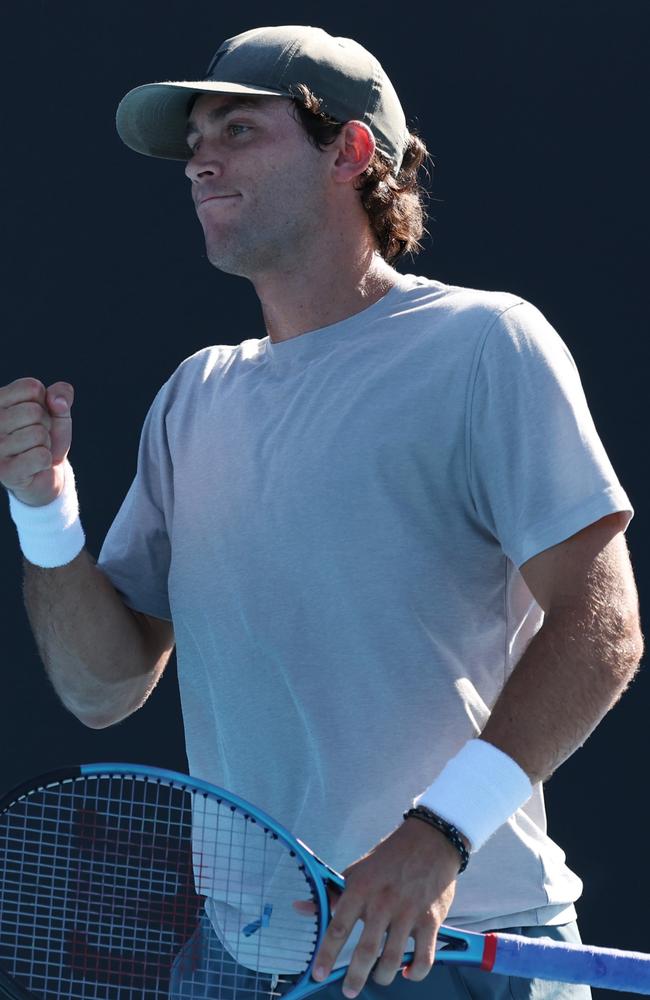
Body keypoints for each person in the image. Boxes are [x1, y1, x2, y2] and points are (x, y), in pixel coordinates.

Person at [0, 24, 643, 1000]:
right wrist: (44, 513)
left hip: (450, 939)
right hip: (238, 962)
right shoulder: (193, 397)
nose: (198, 159)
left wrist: (438, 836)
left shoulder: (485, 343)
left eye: (237, 129)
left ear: (348, 152)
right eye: (192, 141)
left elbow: (603, 630)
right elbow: (103, 688)